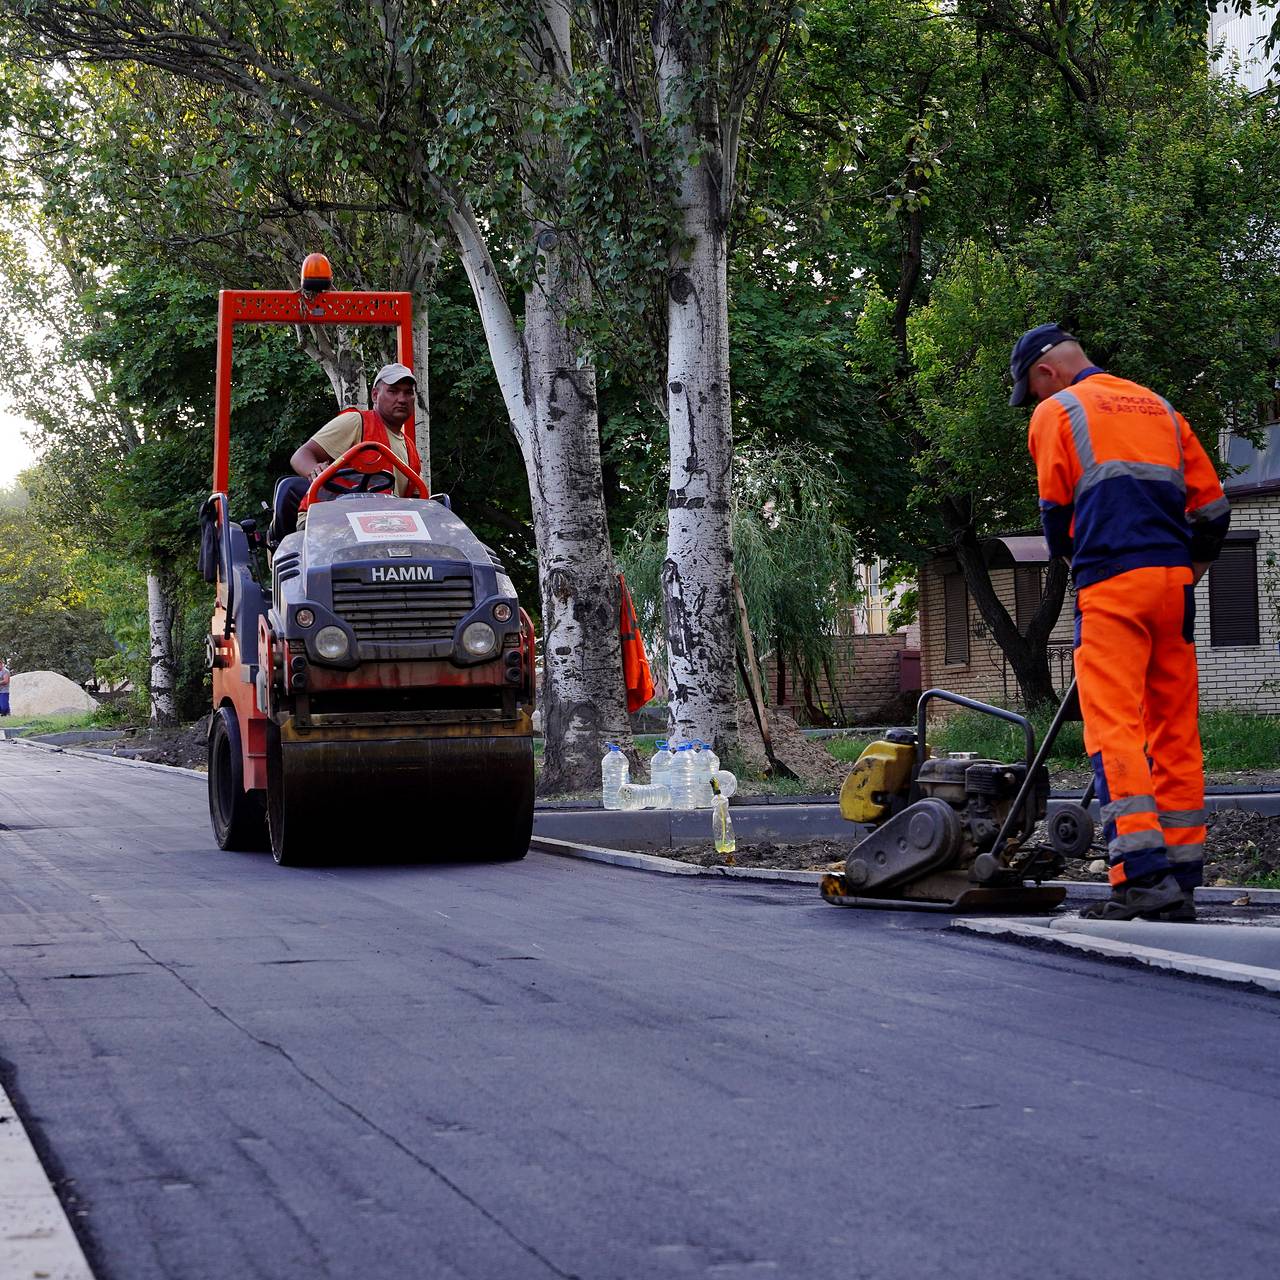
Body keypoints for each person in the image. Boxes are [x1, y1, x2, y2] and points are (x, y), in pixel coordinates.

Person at [1011, 323, 1231, 921]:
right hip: (1173, 587)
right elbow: (1212, 511)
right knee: (1174, 731)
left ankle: (1142, 877)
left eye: (1029, 389)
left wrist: (1078, 565)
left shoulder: (1057, 411)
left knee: (1114, 730)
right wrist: (1187, 573)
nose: (1033, 400)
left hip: (1112, 584)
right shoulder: (1159, 406)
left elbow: (1056, 514)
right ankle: (1182, 879)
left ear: (1045, 373)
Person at [273, 363, 423, 540]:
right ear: (375, 395)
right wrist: (315, 471)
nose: (402, 399)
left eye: (408, 392)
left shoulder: (411, 450)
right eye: (393, 391)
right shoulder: (357, 422)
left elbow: (415, 504)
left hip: (383, 529)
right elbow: (301, 456)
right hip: (332, 520)